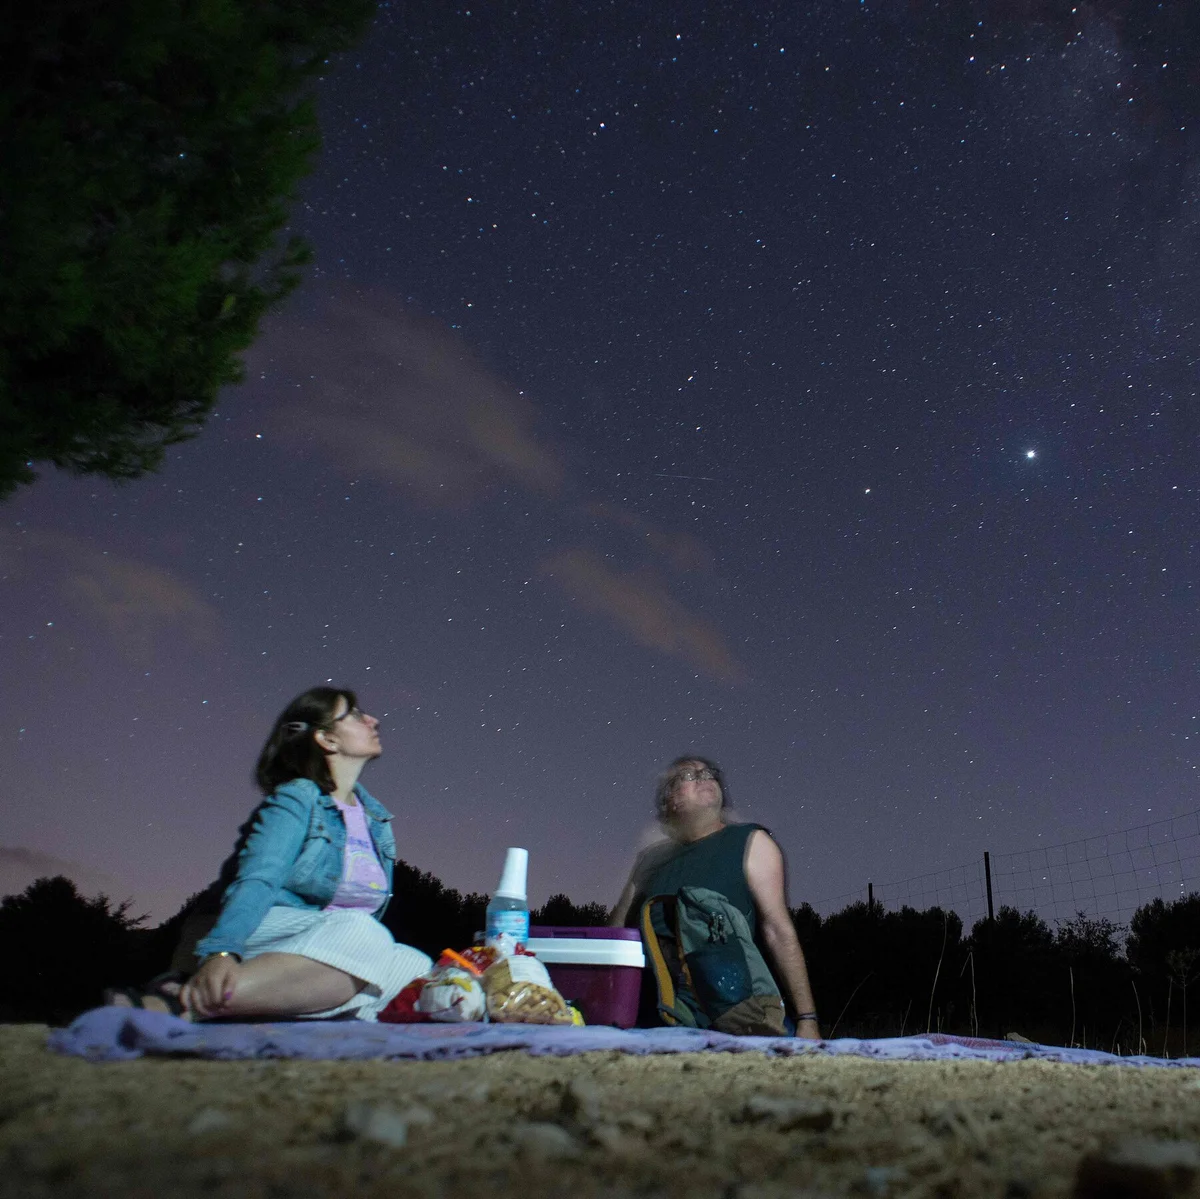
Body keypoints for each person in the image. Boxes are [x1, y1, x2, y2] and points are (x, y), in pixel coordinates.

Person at [132, 687, 431, 1021]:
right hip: (255, 927)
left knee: (414, 966)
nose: (373, 720)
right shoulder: (298, 797)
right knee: (363, 932)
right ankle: (179, 1003)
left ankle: (253, 1005)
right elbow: (259, 877)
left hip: (326, 941)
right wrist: (223, 949)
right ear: (327, 739)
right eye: (356, 715)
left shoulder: (376, 820)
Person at [610, 755, 820, 1040]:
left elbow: (778, 931)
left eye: (708, 773)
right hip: (652, 1022)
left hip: (733, 1022)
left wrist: (807, 1019)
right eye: (689, 775)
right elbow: (615, 937)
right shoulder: (651, 859)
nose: (704, 777)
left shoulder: (750, 841)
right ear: (671, 801)